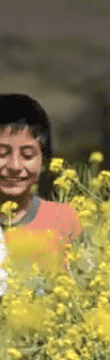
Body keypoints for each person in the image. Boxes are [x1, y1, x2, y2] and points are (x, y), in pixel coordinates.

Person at [0, 93, 84, 303]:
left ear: (44, 161)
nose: (15, 167)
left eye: (28, 155)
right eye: (2, 153)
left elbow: (89, 291)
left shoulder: (64, 220)